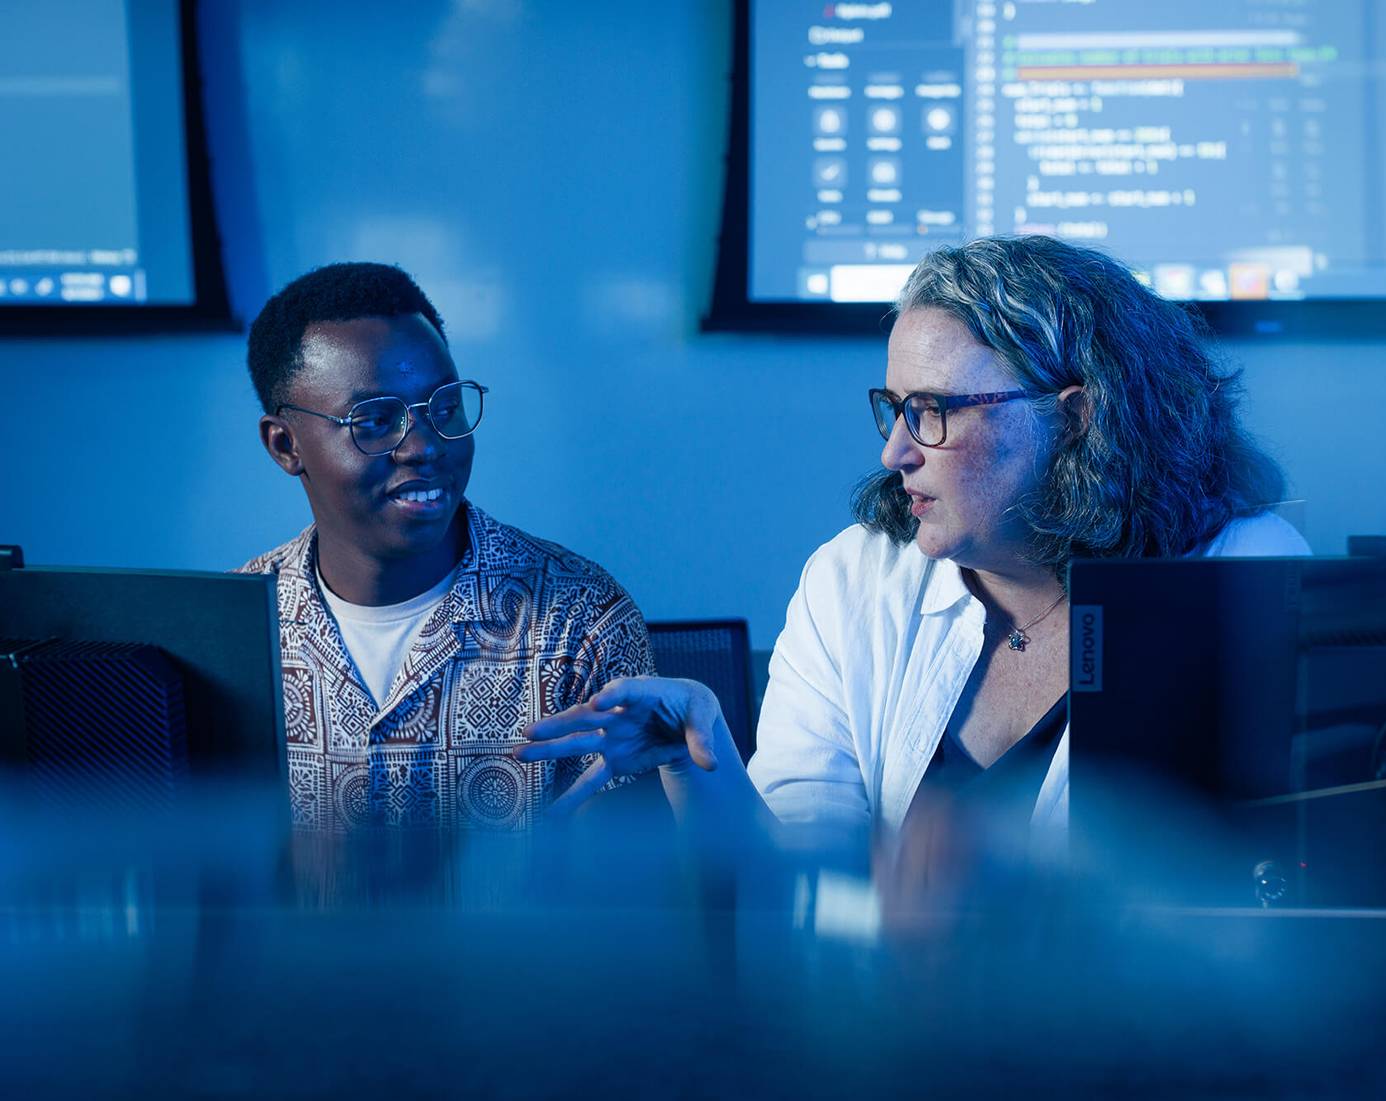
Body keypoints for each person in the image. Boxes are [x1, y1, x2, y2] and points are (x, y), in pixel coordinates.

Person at [518, 235, 1307, 856]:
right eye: (894, 408)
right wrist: (702, 758)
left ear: (1073, 420)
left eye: (932, 410)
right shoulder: (853, 577)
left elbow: (1237, 894)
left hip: (1132, 1037)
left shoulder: (1241, 576)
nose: (895, 451)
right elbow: (800, 879)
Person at [239, 262, 653, 832]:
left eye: (444, 407)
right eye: (376, 420)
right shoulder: (239, 628)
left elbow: (637, 886)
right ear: (285, 446)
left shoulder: (581, 622)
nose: (424, 446)